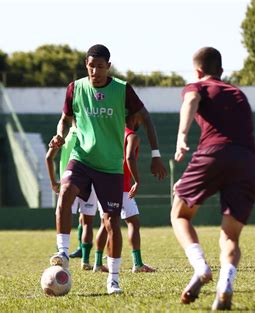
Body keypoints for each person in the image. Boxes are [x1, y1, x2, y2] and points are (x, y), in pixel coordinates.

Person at [48, 44, 166, 295]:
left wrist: (155, 155)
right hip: (82, 157)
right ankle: (62, 252)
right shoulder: (75, 88)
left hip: (111, 166)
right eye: (91, 65)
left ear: (108, 66)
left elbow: (146, 118)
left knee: (112, 221)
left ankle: (113, 280)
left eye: (100, 66)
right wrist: (60, 135)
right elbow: (65, 119)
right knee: (65, 192)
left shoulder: (122, 90)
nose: (95, 70)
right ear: (85, 65)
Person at [170, 47, 255, 310]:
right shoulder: (238, 93)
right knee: (230, 235)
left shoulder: (196, 87)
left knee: (180, 214)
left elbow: (190, 102)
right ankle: (225, 285)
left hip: (213, 153)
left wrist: (181, 136)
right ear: (221, 70)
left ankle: (200, 268)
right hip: (247, 160)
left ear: (198, 71)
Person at [93, 115, 156, 273]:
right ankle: (138, 264)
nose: (141, 120)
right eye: (139, 118)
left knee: (104, 223)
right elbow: (129, 157)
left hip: (103, 182)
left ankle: (97, 263)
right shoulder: (132, 136)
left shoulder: (110, 133)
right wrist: (137, 181)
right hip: (121, 184)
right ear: (134, 118)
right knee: (133, 222)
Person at [45, 124, 98, 270]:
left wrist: (53, 182)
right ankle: (86, 261)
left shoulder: (64, 136)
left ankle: (62, 254)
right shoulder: (91, 132)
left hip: (66, 183)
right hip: (89, 182)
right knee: (87, 221)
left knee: (62, 215)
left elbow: (49, 158)